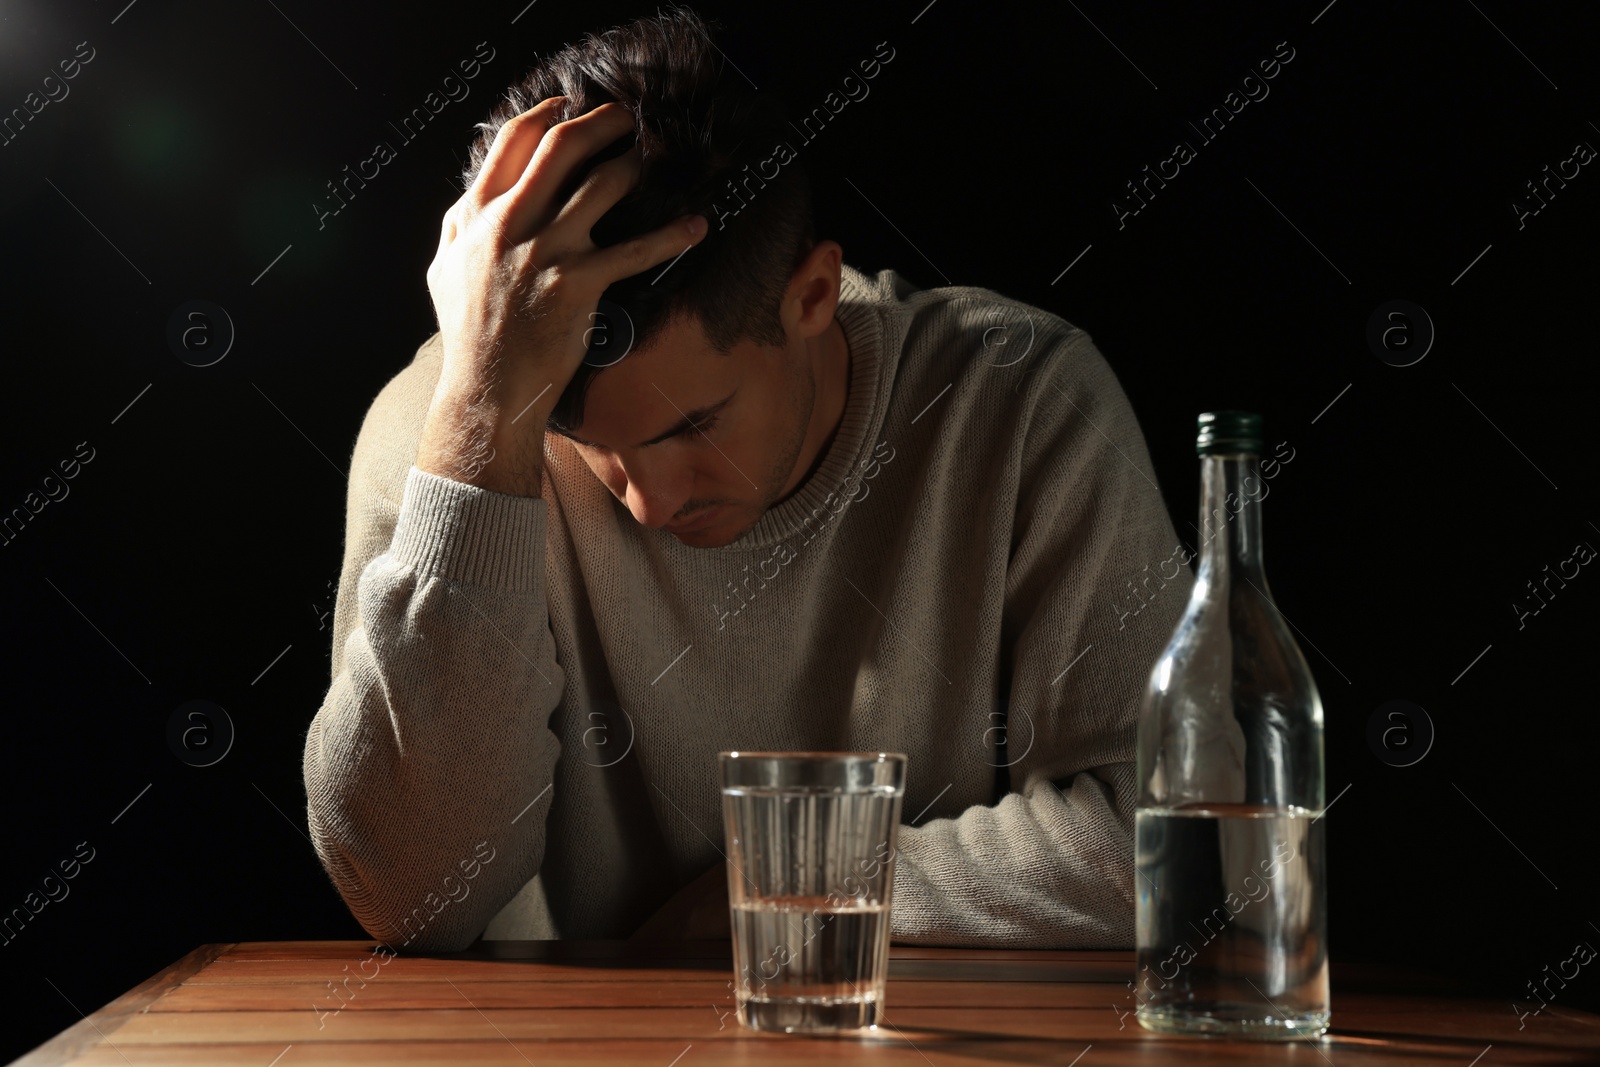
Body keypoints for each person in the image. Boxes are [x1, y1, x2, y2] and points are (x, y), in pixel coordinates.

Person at [302, 7, 1193, 951]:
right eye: (580, 435)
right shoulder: (451, 424)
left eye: (694, 425)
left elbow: (1171, 833)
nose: (645, 500)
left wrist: (776, 889)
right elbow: (415, 898)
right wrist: (483, 422)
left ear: (811, 296)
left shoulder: (1020, 399)